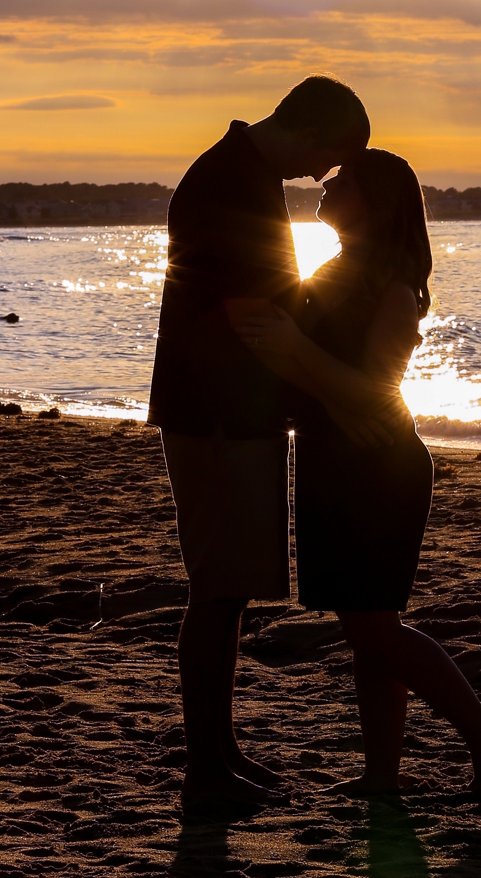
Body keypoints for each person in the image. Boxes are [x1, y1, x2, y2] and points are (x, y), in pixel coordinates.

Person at [231, 150, 481, 795]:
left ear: (377, 204)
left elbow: (377, 390)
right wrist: (308, 378)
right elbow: (312, 378)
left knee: (375, 630)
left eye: (344, 180)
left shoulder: (390, 281)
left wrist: (297, 350)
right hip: (332, 457)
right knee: (367, 631)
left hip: (376, 466)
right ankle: (382, 776)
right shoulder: (338, 269)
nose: (328, 183)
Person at [147, 75, 373, 813]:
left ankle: (221, 749)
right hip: (215, 412)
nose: (322, 176)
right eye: (329, 158)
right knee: (216, 591)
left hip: (229, 410)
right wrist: (337, 388)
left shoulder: (243, 174)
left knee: (230, 590)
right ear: (310, 132)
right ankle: (203, 768)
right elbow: (254, 318)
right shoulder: (230, 183)